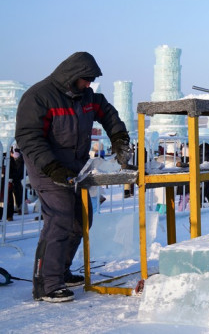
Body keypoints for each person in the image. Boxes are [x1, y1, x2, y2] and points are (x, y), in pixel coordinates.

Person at [15, 52, 130, 303]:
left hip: (77, 167)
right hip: (47, 167)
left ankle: (60, 271)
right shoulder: (39, 97)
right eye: (85, 79)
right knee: (60, 219)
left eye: (91, 80)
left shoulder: (87, 97)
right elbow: (28, 137)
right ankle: (47, 283)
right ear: (71, 76)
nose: (88, 84)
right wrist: (52, 167)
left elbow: (108, 114)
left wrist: (119, 138)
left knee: (80, 220)